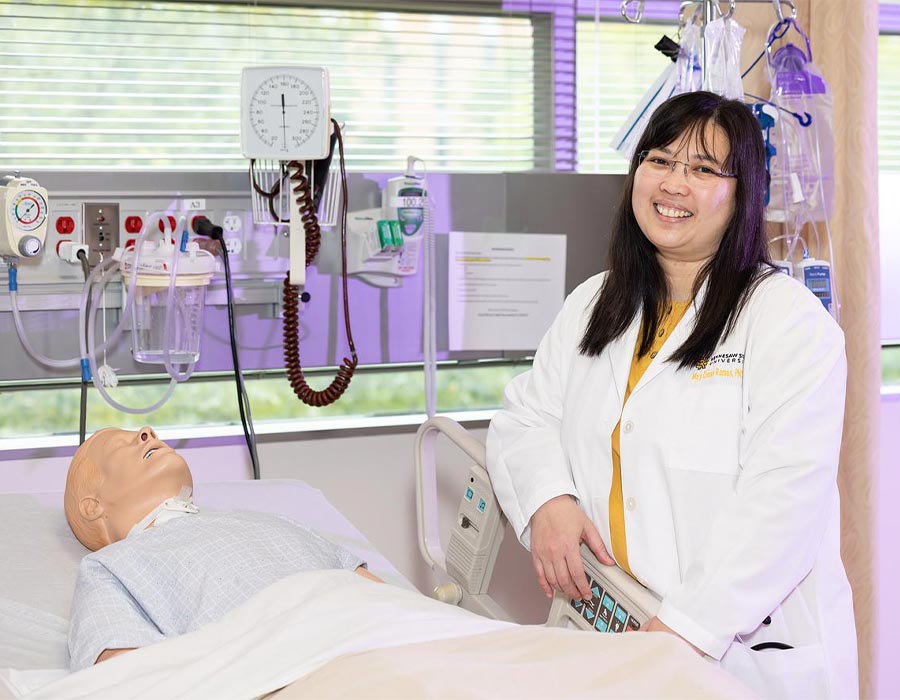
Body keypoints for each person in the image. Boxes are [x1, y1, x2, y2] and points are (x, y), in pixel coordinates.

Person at [486, 91, 857, 700]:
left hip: (732, 651)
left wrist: (683, 632)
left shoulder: (785, 321)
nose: (674, 184)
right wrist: (548, 500)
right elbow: (526, 416)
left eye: (705, 169)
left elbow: (783, 500)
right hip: (614, 623)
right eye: (659, 160)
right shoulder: (594, 302)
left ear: (743, 195)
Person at [63, 425, 381, 672]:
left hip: (378, 636)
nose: (149, 432)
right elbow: (123, 675)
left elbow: (387, 598)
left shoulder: (272, 521)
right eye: (121, 445)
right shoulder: (110, 567)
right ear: (92, 507)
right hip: (281, 666)